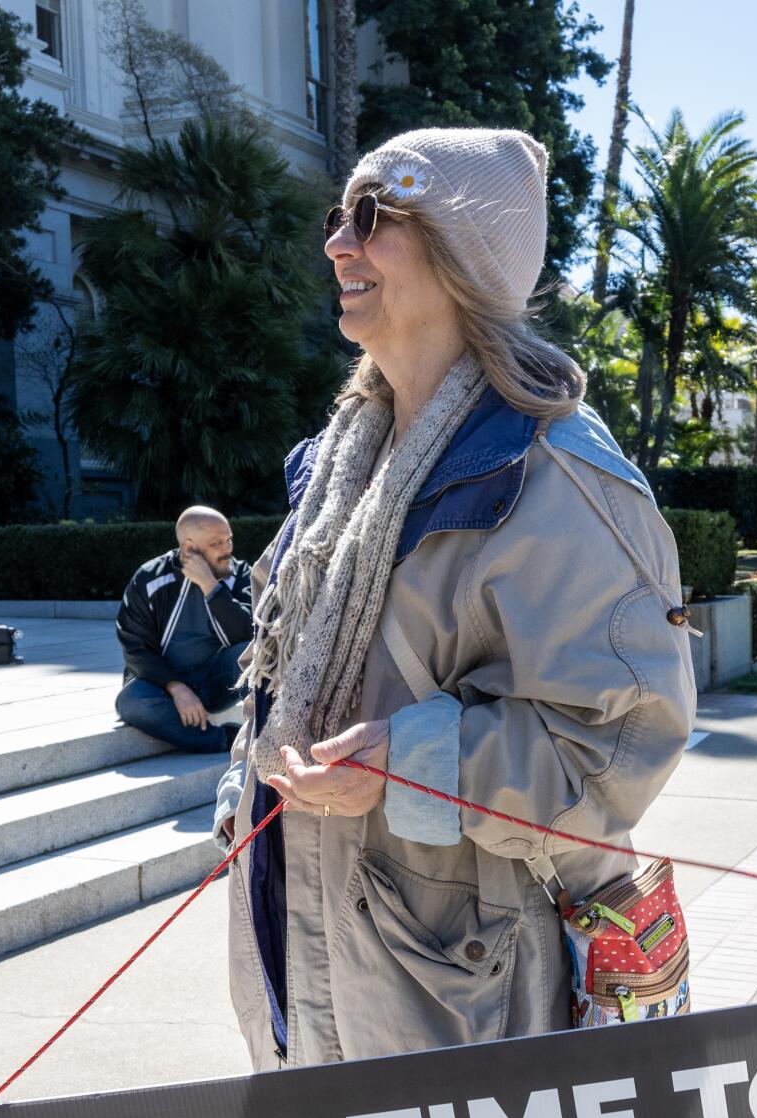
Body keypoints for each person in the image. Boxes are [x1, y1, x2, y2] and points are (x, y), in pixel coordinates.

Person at [223, 127, 697, 1070]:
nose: (336, 244)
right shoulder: (335, 469)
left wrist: (417, 761)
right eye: (336, 217)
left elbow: (620, 746)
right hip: (314, 952)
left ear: (461, 255)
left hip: (459, 989)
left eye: (371, 217)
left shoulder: (555, 475)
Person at [114, 506, 253, 753]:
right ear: (189, 548)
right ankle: (224, 739)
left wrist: (210, 587)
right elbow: (134, 648)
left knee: (258, 658)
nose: (227, 549)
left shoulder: (240, 574)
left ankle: (272, 730)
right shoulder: (149, 579)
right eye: (217, 543)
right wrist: (176, 687)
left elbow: (249, 633)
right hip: (161, 684)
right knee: (132, 702)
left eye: (229, 539)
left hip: (216, 681)